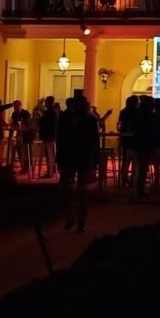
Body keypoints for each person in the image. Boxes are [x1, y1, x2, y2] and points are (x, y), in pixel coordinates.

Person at [56, 96, 99, 231]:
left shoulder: (68, 118)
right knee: (79, 191)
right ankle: (78, 220)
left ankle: (75, 218)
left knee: (72, 190)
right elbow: (94, 142)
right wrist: (94, 162)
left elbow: (60, 139)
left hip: (73, 157)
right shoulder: (88, 119)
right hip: (79, 157)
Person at [9, 100, 33, 176]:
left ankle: (28, 167)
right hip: (19, 135)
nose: (15, 108)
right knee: (20, 152)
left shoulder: (26, 113)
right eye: (14, 107)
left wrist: (16, 127)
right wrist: (11, 135)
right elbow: (13, 125)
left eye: (16, 106)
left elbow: (27, 124)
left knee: (27, 153)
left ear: (20, 106)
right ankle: (23, 167)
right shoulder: (14, 114)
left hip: (27, 135)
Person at [37, 96, 58, 178]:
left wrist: (40, 117)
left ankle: (50, 172)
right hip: (51, 135)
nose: (45, 103)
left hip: (48, 136)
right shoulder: (54, 111)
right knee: (50, 154)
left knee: (50, 155)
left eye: (46, 101)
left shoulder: (50, 112)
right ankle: (50, 171)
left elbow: (46, 123)